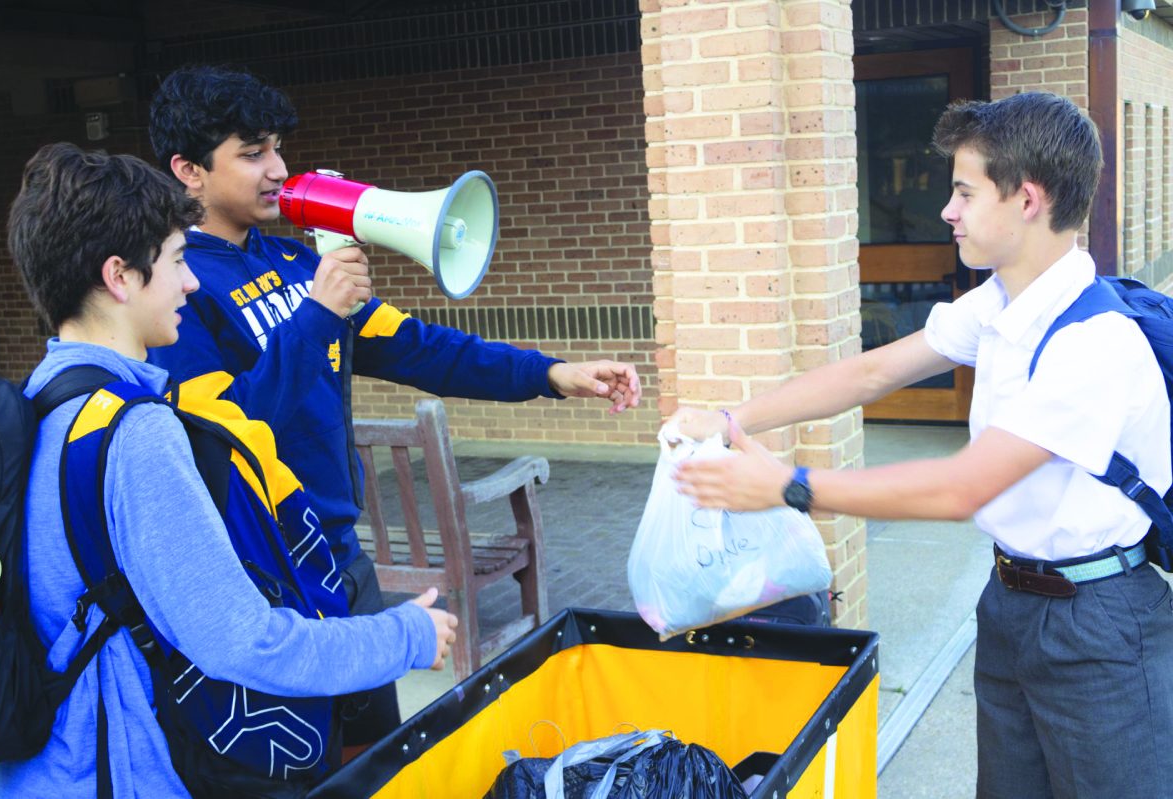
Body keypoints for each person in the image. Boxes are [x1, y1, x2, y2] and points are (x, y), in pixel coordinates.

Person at [672, 92, 1173, 797]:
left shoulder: (1094, 344)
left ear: (1026, 199)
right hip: (1009, 601)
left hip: (1101, 623)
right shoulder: (999, 302)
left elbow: (961, 486)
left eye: (965, 191)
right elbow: (873, 369)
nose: (948, 209)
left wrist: (790, 484)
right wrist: (733, 420)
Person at [146, 64, 642, 747]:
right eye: (252, 152)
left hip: (344, 556)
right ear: (189, 171)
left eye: (277, 148)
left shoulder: (293, 262)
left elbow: (420, 349)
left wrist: (552, 372)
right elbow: (225, 436)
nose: (278, 168)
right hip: (264, 571)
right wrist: (318, 315)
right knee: (300, 764)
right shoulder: (177, 288)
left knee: (376, 754)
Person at [0, 142, 458, 798]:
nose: (190, 282)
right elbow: (245, 642)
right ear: (120, 276)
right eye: (178, 261)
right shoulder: (137, 431)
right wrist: (402, 635)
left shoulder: (42, 401)